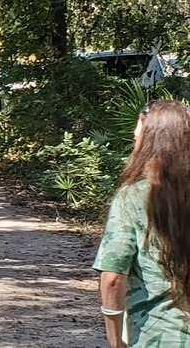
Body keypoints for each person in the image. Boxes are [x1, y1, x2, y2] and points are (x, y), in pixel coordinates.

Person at [93, 99, 190, 347]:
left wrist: (115, 341)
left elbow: (112, 277)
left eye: (137, 138)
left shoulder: (134, 197)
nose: (134, 143)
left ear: (150, 144)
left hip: (158, 334)